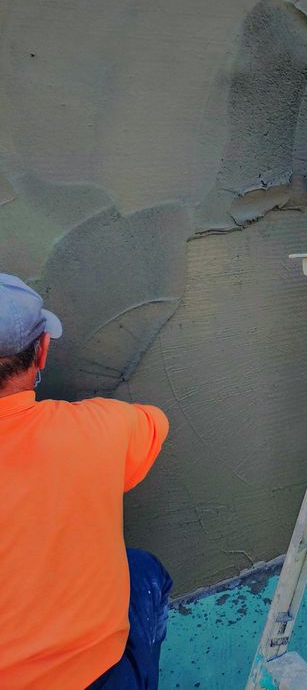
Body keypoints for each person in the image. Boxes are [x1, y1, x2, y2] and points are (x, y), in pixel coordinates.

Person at [0, 273, 172, 689]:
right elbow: (156, 422)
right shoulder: (102, 427)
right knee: (144, 572)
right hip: (98, 676)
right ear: (42, 350)